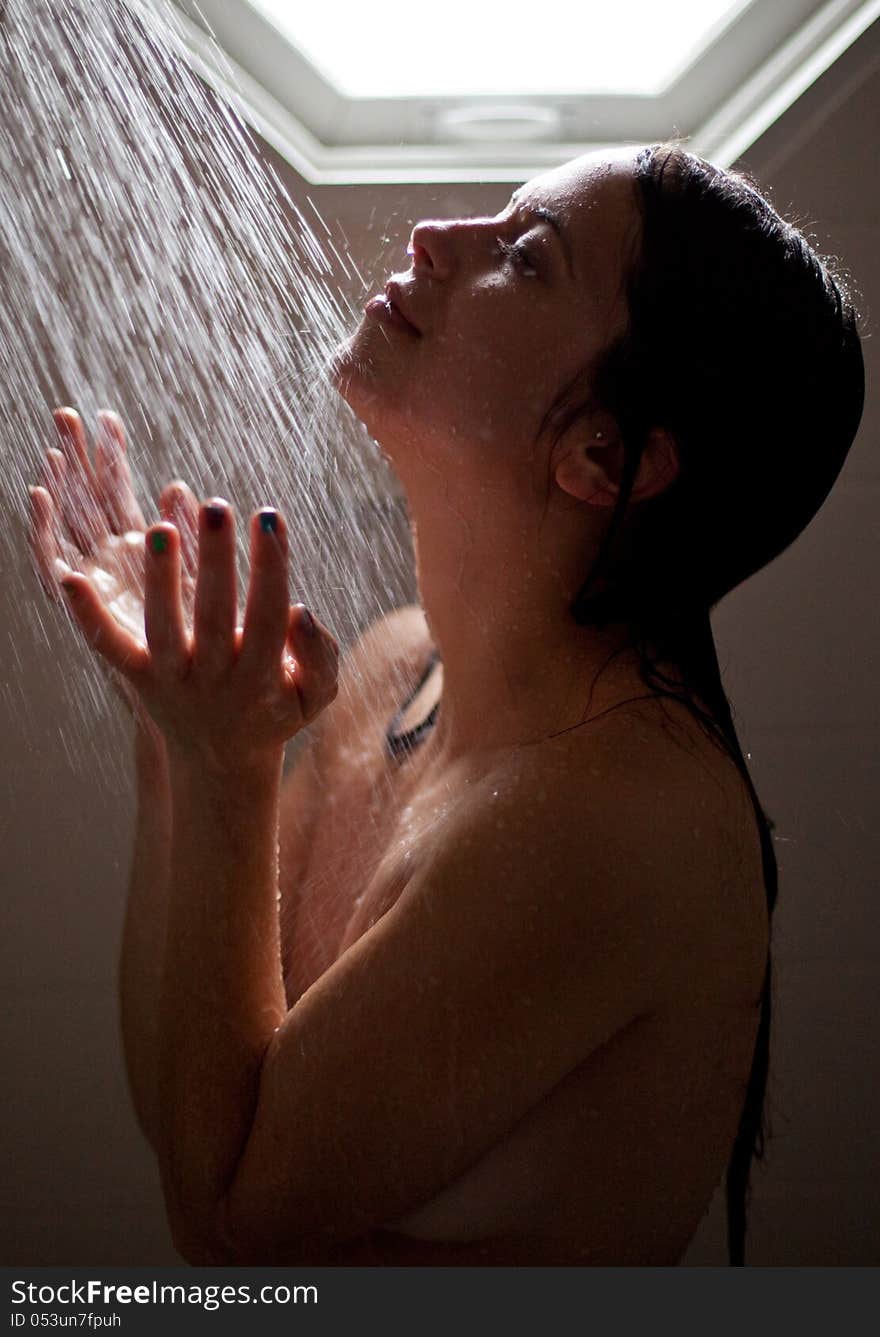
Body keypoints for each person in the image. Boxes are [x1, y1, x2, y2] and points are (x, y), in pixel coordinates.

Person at [27, 141, 864, 1266]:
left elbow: (226, 1221)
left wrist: (228, 770)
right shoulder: (393, 668)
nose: (436, 237)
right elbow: (192, 1113)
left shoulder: (615, 824)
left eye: (523, 256)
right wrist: (173, 735)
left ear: (601, 450)